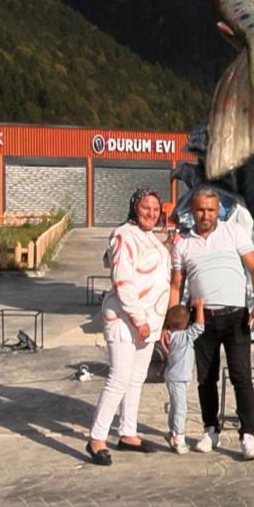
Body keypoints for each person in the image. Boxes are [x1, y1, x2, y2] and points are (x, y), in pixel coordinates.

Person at [168, 188, 254, 459]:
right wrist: (171, 322)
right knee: (205, 379)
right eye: (200, 209)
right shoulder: (183, 244)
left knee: (241, 377)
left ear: (218, 209)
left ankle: (248, 435)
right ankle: (210, 428)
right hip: (202, 321)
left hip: (236, 317)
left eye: (211, 209)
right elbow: (177, 284)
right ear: (193, 210)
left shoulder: (234, 232)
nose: (206, 215)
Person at [87, 188, 171, 465]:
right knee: (119, 378)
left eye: (156, 209)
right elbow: (123, 279)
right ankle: (97, 438)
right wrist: (139, 319)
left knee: (136, 379)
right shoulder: (123, 234)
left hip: (149, 323)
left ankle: (128, 432)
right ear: (135, 208)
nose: (151, 213)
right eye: (146, 207)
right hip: (126, 319)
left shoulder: (150, 238)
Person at [163, 298, 205, 454]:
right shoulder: (183, 337)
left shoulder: (171, 335)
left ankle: (172, 432)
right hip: (178, 378)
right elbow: (199, 327)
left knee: (175, 406)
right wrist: (199, 307)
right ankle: (179, 438)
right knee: (181, 408)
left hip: (176, 377)